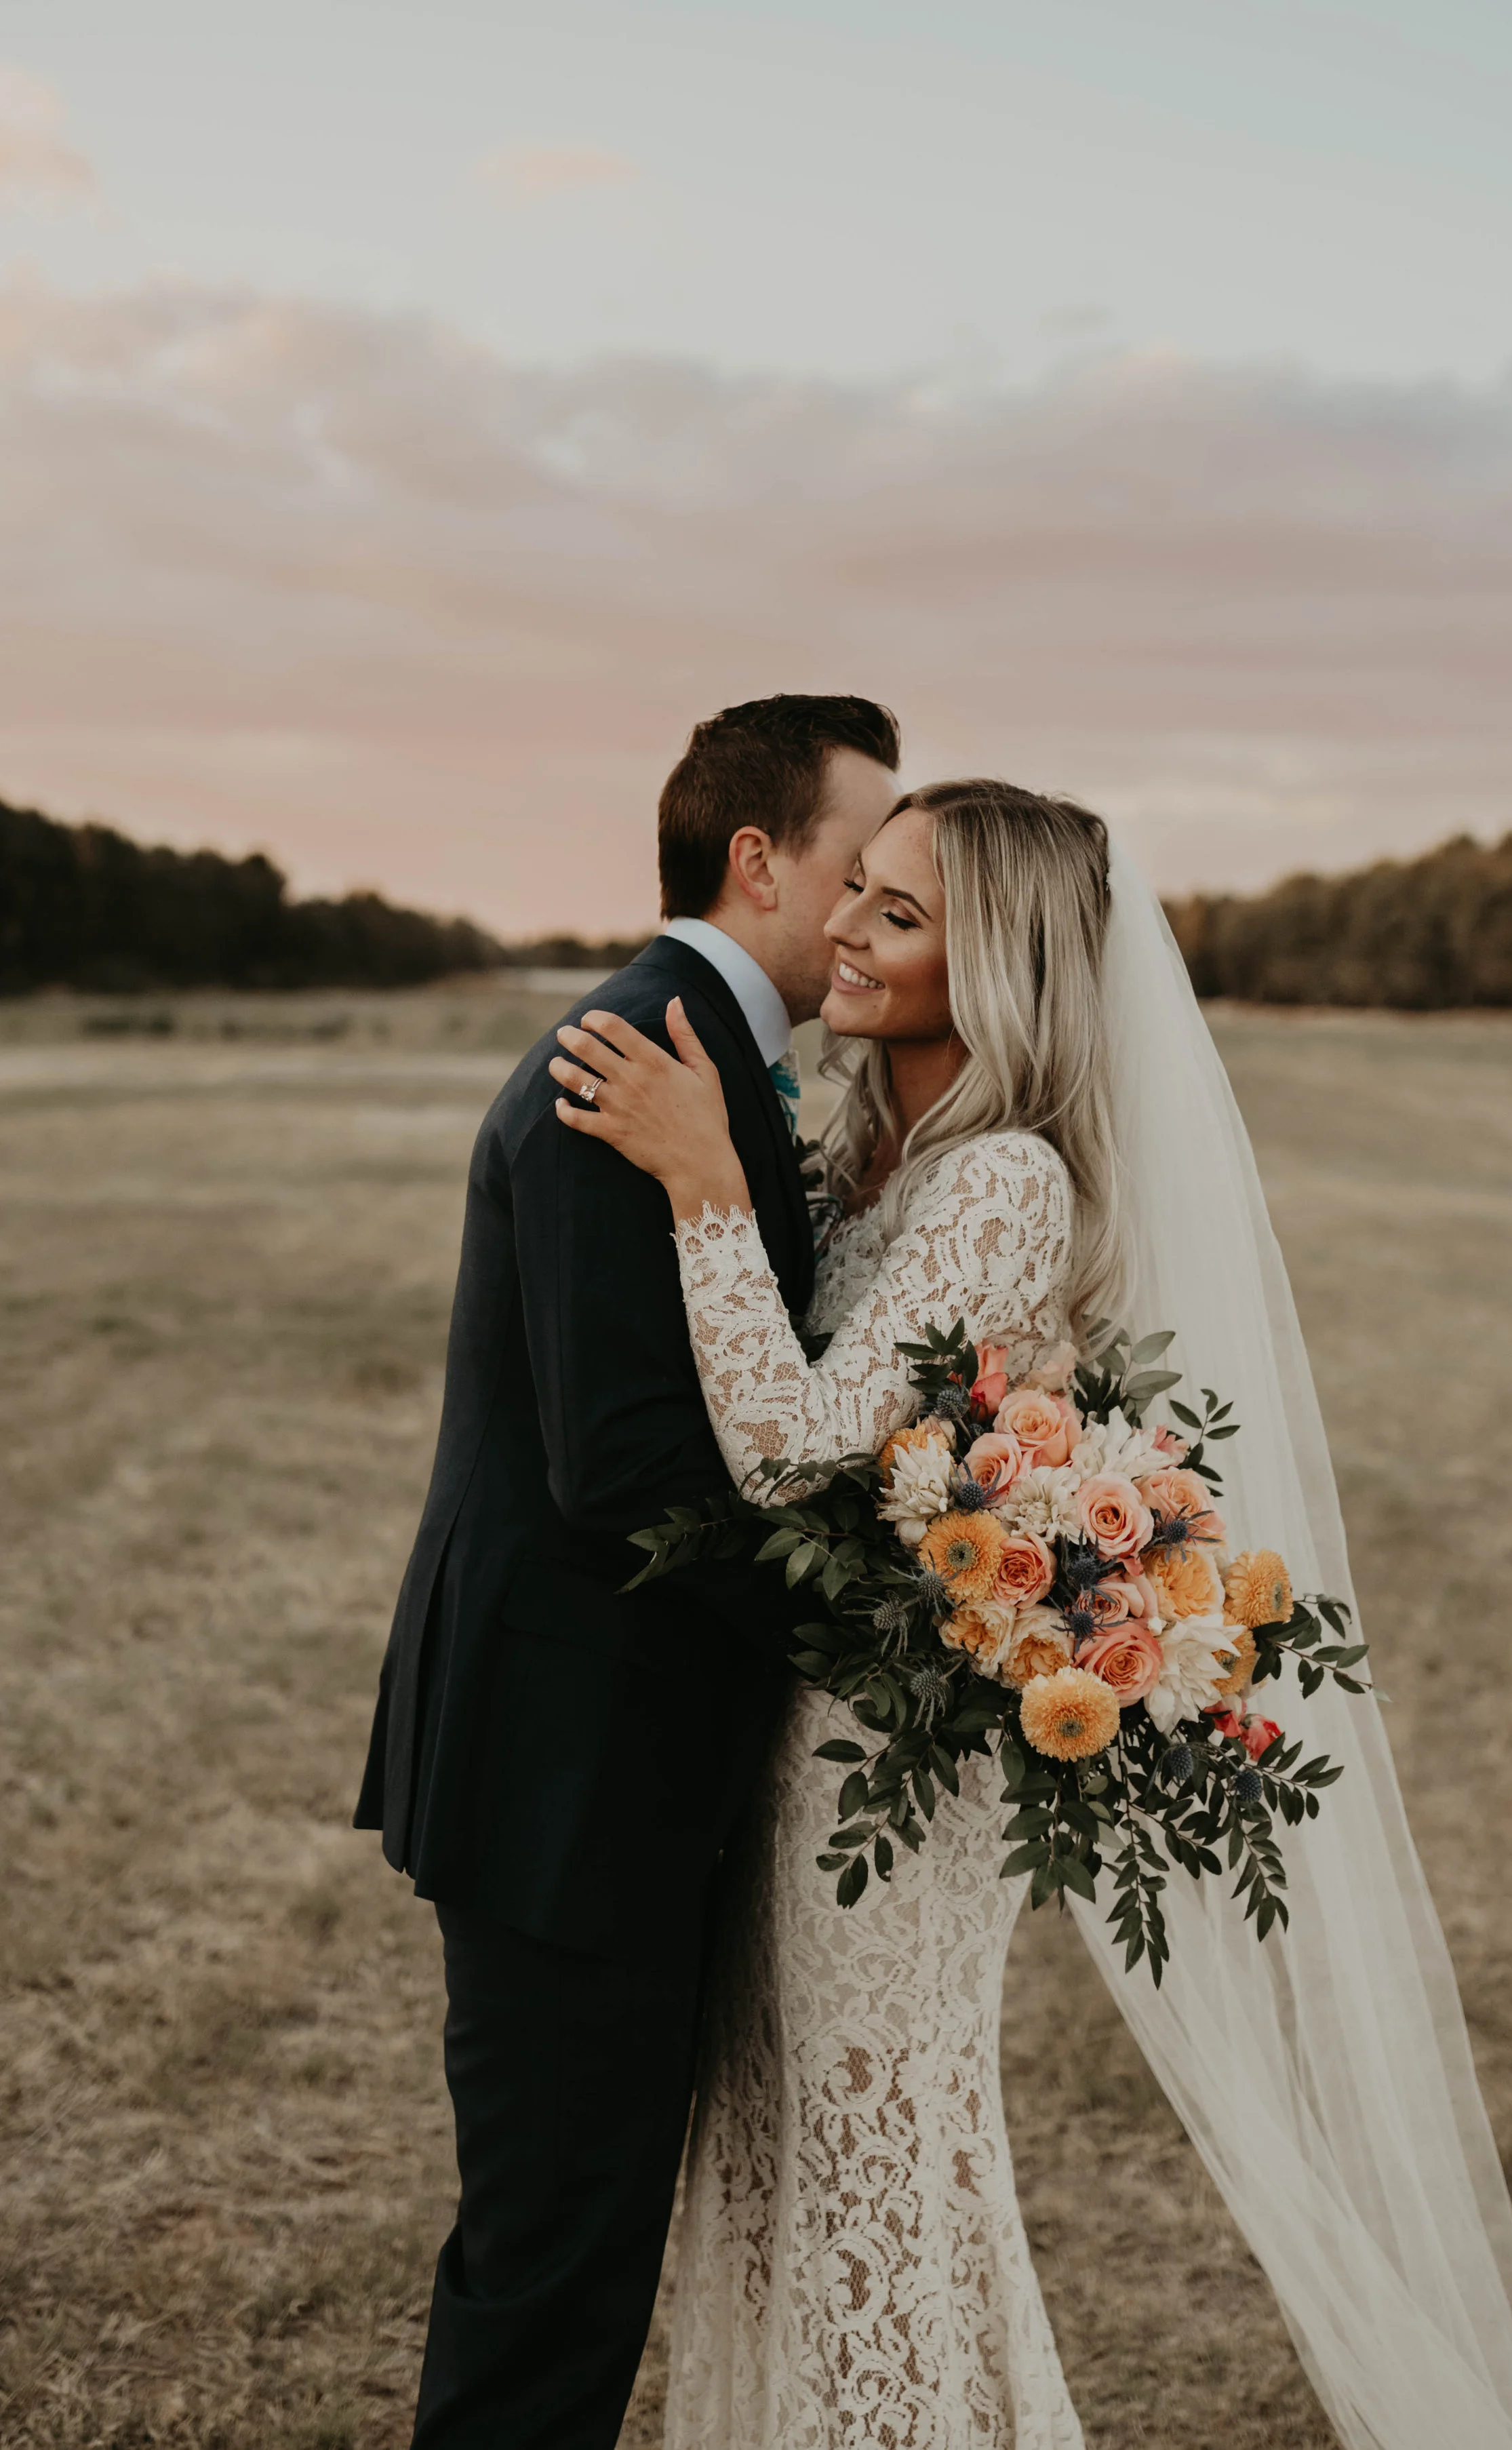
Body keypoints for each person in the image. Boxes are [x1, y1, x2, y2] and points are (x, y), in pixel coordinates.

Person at [549, 780, 1512, 2450]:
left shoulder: (1004, 1181)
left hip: (880, 1777)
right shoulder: (858, 1134)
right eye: (854, 892)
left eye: (897, 914)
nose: (845, 933)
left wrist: (700, 1189)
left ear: (1002, 962)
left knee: (877, 2156)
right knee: (778, 2146)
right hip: (783, 1726)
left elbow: (795, 1443)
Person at [353, 694, 900, 2448]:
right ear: (758, 859)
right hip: (562, 1766)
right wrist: (891, 1642)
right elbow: (630, 1467)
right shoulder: (637, 1058)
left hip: (602, 1752)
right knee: (552, 2267)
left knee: (573, 2243)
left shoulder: (720, 1059)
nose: (879, 893)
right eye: (859, 859)